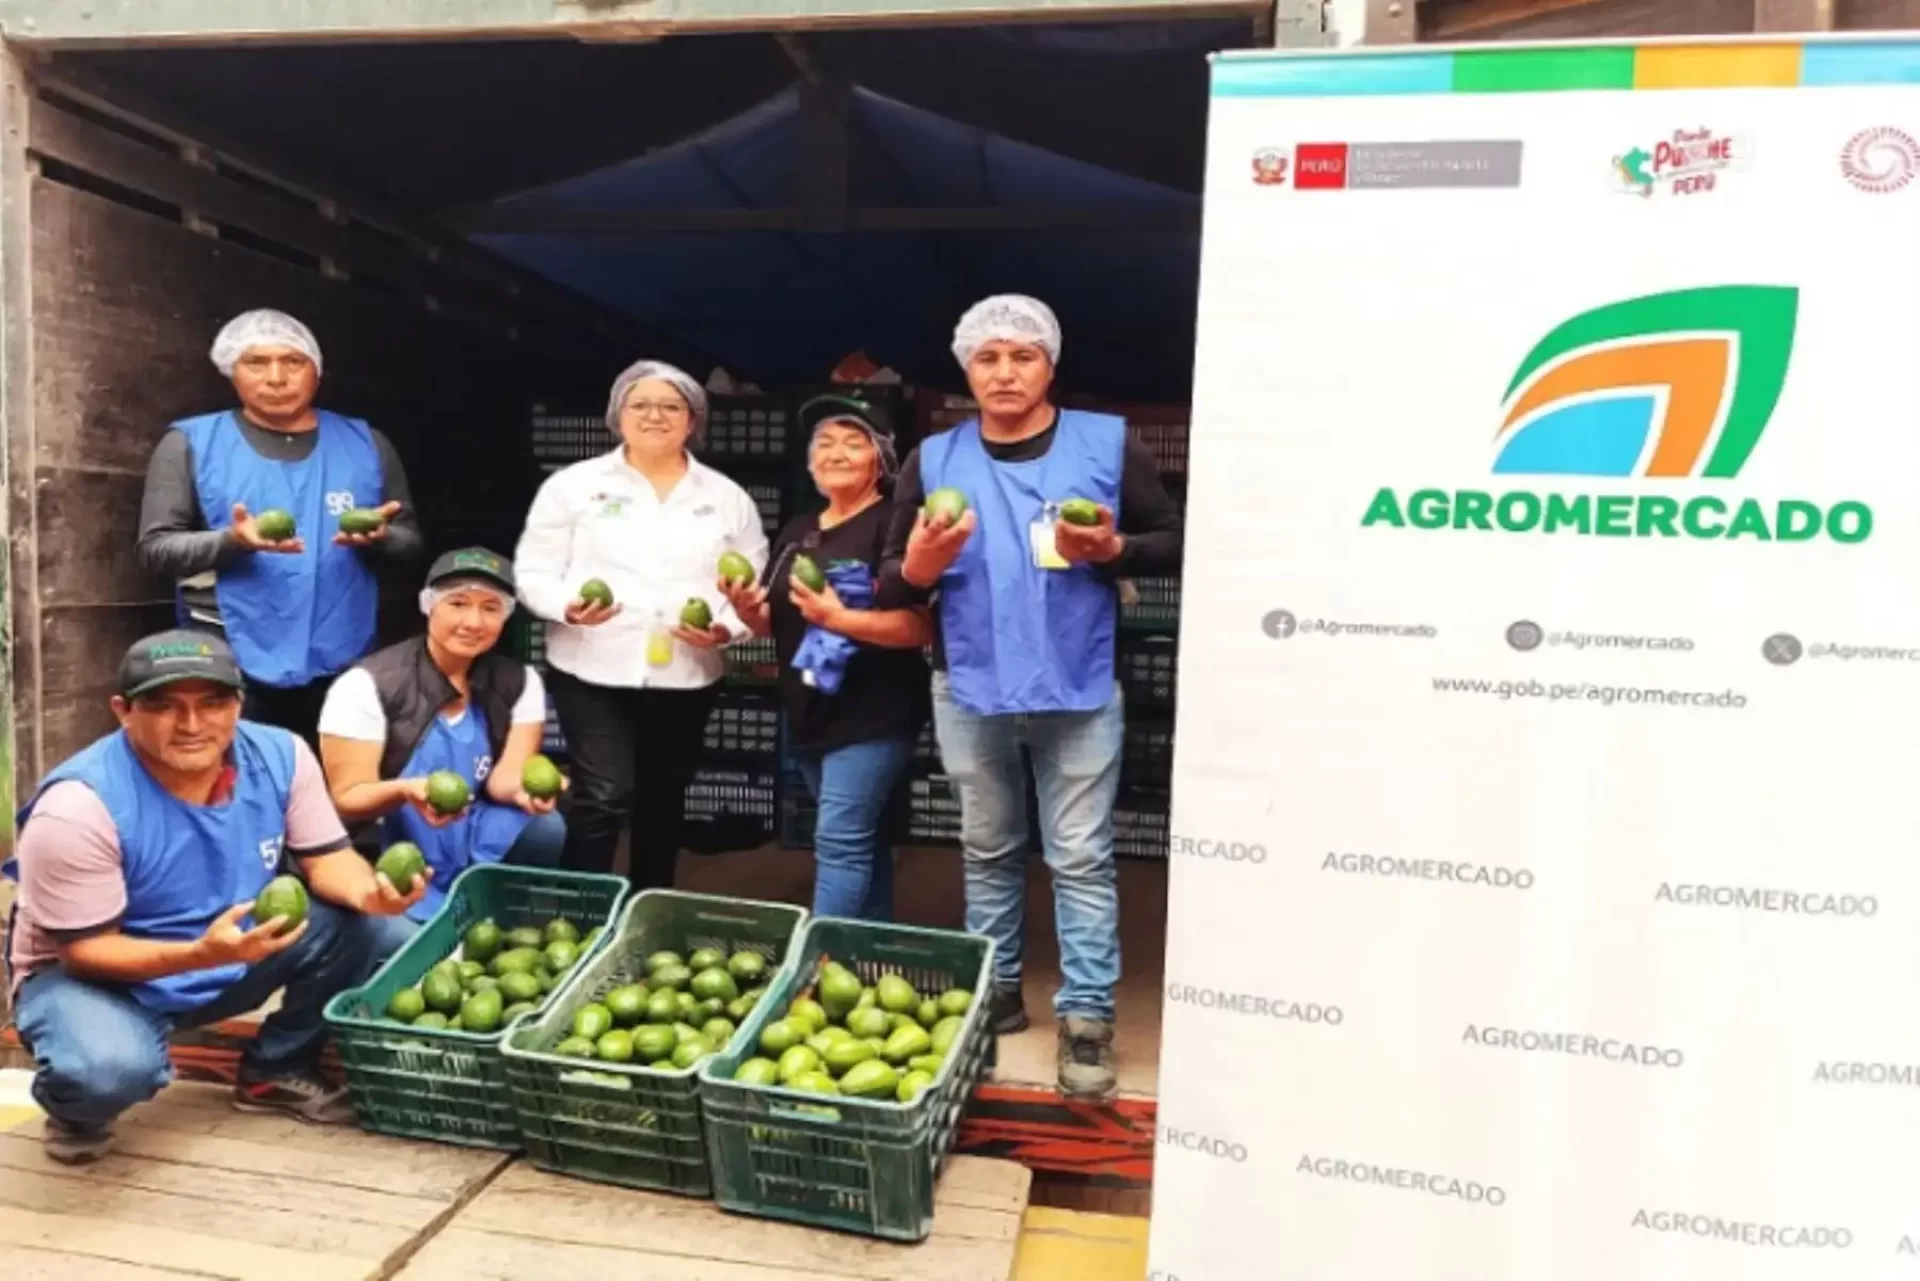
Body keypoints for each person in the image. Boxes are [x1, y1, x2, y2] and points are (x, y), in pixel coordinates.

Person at [877, 294, 1184, 1100]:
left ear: (1051, 363)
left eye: (1023, 355)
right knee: (987, 847)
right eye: (988, 357)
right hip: (970, 682)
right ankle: (997, 989)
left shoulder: (1107, 444)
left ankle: (1086, 1019)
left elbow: (1176, 539)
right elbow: (890, 582)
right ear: (966, 369)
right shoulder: (932, 460)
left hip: (1077, 685)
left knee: (1080, 855)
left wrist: (1112, 548)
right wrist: (919, 563)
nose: (1005, 371)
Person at [2, 631, 428, 1165]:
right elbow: (85, 952)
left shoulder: (281, 757)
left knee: (385, 934)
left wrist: (373, 893)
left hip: (228, 951)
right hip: (98, 981)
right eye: (164, 706)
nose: (192, 725)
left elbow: (327, 860)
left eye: (213, 703)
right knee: (105, 1071)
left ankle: (276, 1069)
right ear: (123, 711)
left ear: (238, 704)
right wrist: (202, 954)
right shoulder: (77, 809)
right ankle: (73, 1107)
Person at [514, 360, 768, 890]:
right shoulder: (574, 486)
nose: (656, 415)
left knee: (664, 797)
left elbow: (752, 580)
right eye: (640, 404)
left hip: (688, 670)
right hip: (591, 666)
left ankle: (649, 904)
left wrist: (725, 629)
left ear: (693, 420)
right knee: (603, 794)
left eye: (672, 406)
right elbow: (535, 570)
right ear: (618, 416)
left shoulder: (725, 497)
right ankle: (580, 912)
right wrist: (567, 606)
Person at [137, 309, 424, 747]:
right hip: (228, 654)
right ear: (232, 371)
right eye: (257, 362)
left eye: (293, 362)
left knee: (332, 794)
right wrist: (233, 541)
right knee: (238, 790)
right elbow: (156, 549)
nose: (276, 377)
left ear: (317, 372)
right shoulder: (191, 444)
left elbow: (410, 544)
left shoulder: (367, 444)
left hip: (343, 654)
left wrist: (381, 540)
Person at [720, 394, 931, 921]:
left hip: (873, 715)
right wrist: (749, 610)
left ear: (880, 459)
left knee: (839, 843)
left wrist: (840, 619)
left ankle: (819, 969)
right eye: (824, 443)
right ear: (810, 461)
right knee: (862, 842)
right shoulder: (798, 530)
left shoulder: (894, 527)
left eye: (853, 443)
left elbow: (919, 627)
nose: (836, 453)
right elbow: (775, 620)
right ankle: (866, 958)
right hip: (808, 713)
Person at [317, 547, 567, 930]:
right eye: (458, 603)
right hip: (393, 842)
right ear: (428, 605)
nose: (473, 621)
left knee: (546, 828)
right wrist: (406, 790)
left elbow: (503, 781)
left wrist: (526, 793)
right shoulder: (366, 685)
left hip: (470, 823)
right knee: (403, 944)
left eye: (490, 608)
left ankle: (506, 924)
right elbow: (348, 798)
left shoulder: (518, 681)